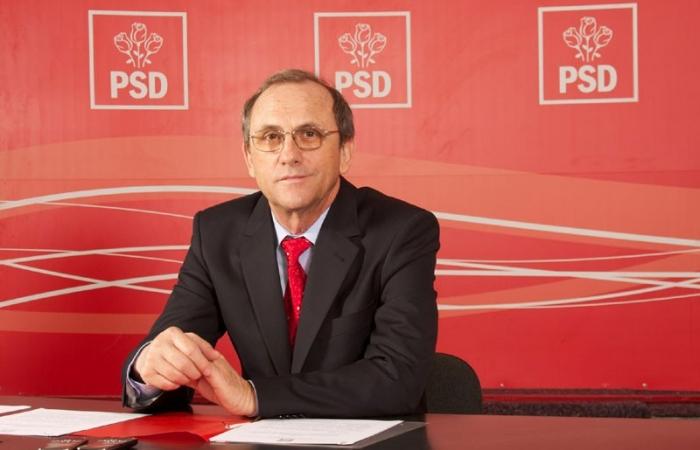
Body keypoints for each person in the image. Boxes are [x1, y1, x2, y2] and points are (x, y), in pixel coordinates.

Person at [122, 69, 439, 418]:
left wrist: (254, 396)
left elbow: (397, 378)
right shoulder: (216, 233)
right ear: (249, 158)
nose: (289, 154)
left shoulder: (402, 231)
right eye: (271, 137)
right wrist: (149, 369)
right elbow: (174, 350)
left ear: (345, 150)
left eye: (309, 134)